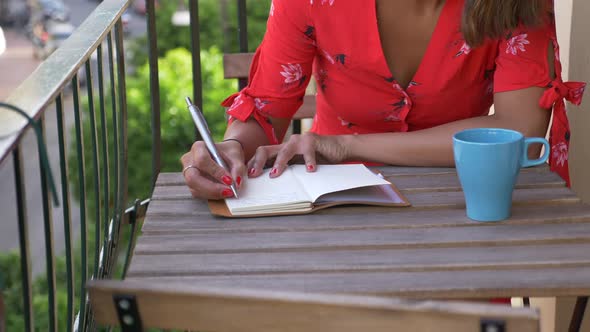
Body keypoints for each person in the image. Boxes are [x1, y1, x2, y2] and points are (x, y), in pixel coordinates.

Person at [181, 0, 586, 200]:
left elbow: (518, 130)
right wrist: (232, 148)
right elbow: (266, 110)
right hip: (333, 205)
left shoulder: (513, 5)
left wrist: (344, 145)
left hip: (464, 206)